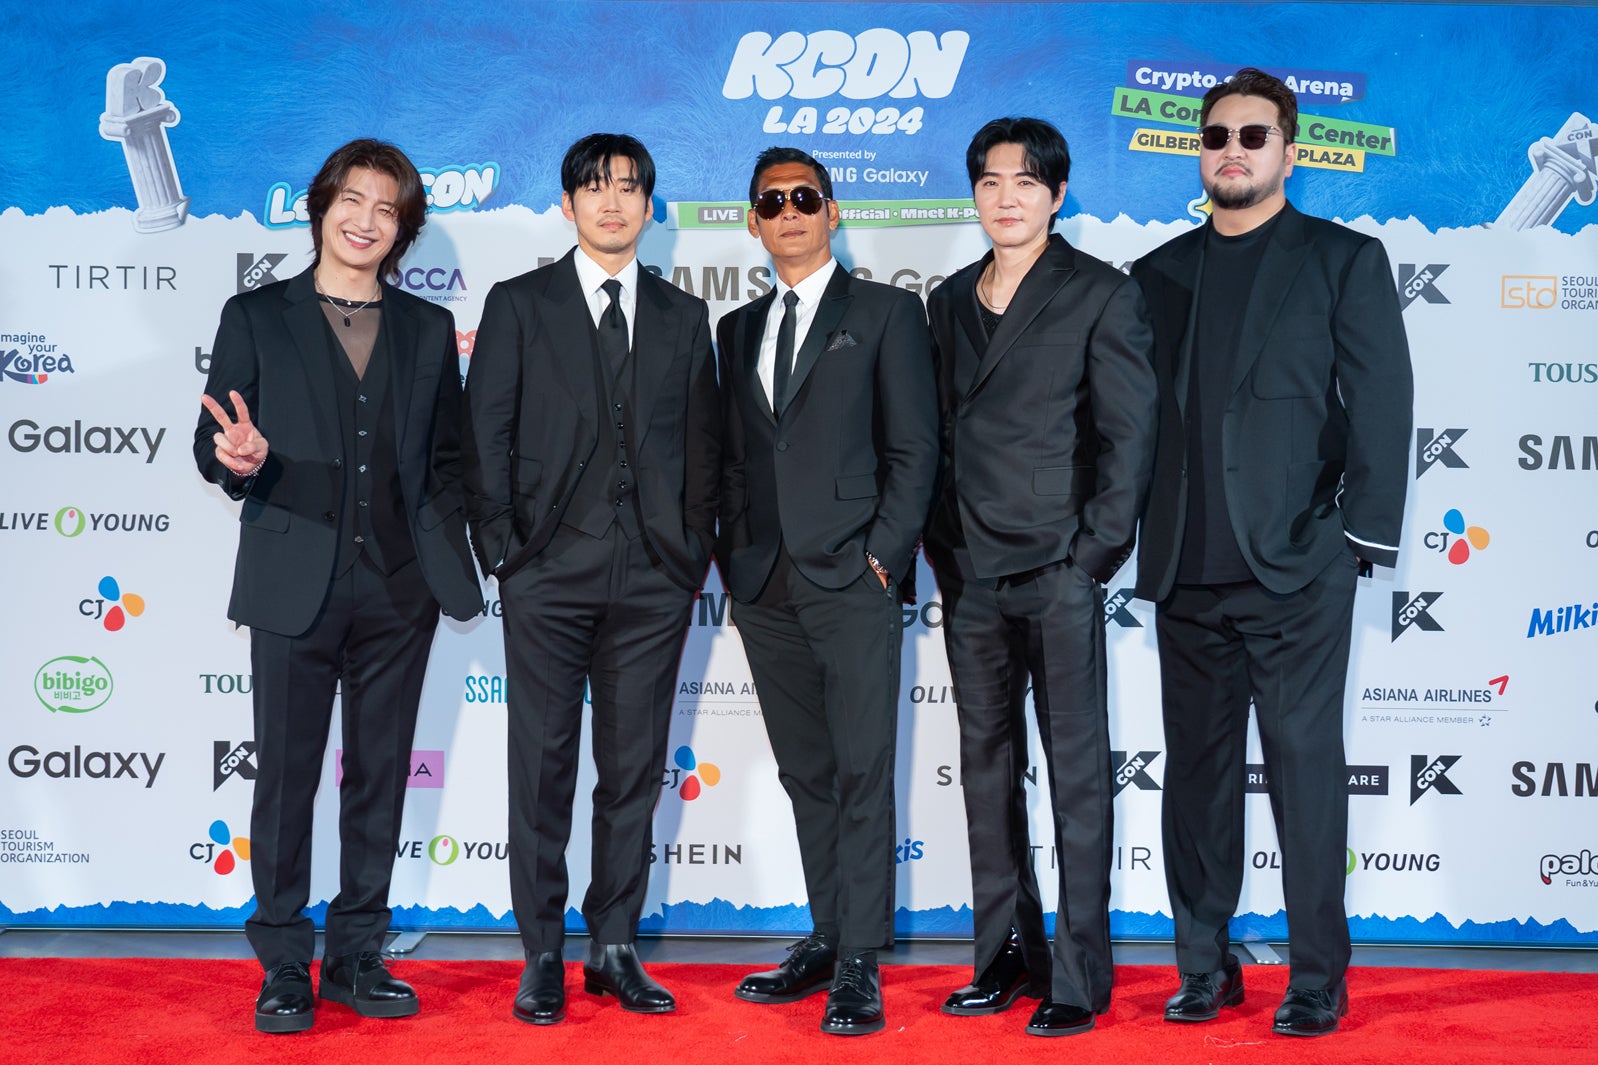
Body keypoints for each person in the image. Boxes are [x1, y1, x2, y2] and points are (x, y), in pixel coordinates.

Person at [1130, 68, 1413, 1037]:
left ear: (1287, 151)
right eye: (1216, 136)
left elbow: (1382, 404)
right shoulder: (1155, 273)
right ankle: (1202, 965)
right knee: (1195, 783)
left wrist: (1353, 540)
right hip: (1185, 569)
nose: (1233, 150)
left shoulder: (1341, 259)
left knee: (1304, 775)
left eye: (1253, 135)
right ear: (1200, 152)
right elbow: (1135, 423)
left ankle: (1316, 976)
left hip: (1297, 570)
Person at [194, 138, 484, 1034]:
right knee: (285, 775)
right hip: (292, 579)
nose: (365, 220)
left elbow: (447, 458)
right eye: (352, 200)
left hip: (400, 586)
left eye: (386, 209)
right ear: (321, 207)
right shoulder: (256, 314)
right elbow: (212, 439)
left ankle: (358, 951)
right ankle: (285, 958)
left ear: (402, 230)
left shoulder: (427, 328)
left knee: (380, 773)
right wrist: (236, 459)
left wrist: (445, 555)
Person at [461, 133, 719, 1025]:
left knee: (633, 768)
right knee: (540, 767)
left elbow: (703, 448)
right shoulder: (519, 304)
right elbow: (483, 436)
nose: (613, 202)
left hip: (654, 578)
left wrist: (690, 550)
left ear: (650, 205)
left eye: (629, 187)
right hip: (546, 572)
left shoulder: (685, 316)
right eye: (595, 188)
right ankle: (542, 950)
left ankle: (614, 944)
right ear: (567, 205)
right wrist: (506, 550)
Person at [923, 117, 1157, 1037]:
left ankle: (1080, 973)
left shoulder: (1101, 291)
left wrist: (1090, 558)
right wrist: (941, 547)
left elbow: (1129, 440)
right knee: (986, 771)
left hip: (1058, 566)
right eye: (990, 181)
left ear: (1057, 195)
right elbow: (936, 434)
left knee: (1077, 776)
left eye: (1025, 181)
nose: (1006, 197)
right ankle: (1003, 957)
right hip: (970, 573)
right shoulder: (947, 299)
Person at [716, 147, 938, 1035]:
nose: (790, 212)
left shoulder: (886, 312)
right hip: (763, 580)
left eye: (805, 197)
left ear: (833, 211)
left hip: (853, 575)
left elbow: (916, 448)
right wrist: (733, 556)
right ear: (753, 222)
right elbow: (737, 456)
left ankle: (860, 961)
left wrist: (884, 556)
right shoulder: (736, 329)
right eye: (773, 201)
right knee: (807, 770)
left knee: (859, 768)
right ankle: (827, 932)